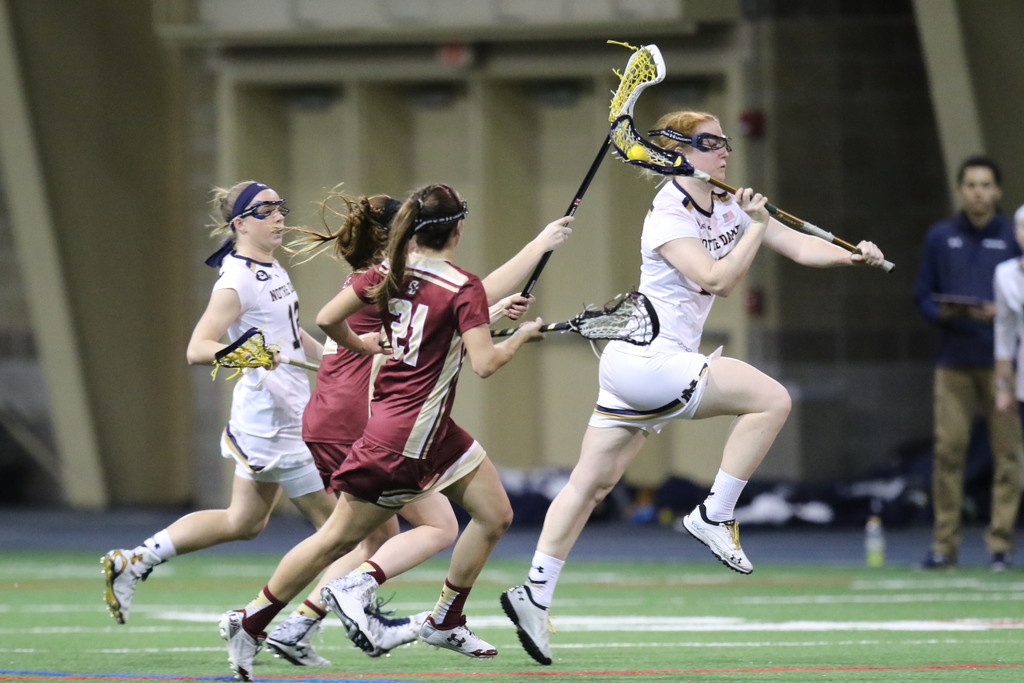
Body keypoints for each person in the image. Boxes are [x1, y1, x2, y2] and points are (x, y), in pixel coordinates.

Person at [499, 110, 887, 666]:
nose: (724, 150)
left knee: (592, 484)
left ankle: (534, 592)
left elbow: (801, 248)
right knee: (772, 399)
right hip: (648, 360)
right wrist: (755, 226)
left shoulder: (730, 201)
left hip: (648, 364)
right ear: (678, 149)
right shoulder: (665, 216)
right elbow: (716, 281)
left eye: (726, 141)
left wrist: (855, 255)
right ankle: (714, 515)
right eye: (710, 142)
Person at [219, 183, 572, 681]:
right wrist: (519, 335)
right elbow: (485, 363)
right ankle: (271, 614)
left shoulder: (384, 275)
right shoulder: (455, 283)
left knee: (494, 514)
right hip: (403, 431)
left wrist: (366, 343)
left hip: (421, 424)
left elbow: (335, 320)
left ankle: (445, 618)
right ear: (458, 227)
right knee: (346, 538)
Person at [101, 181, 336, 625]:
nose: (279, 217)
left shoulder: (271, 266)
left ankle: (134, 561)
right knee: (341, 533)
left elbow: (290, 330)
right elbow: (198, 348)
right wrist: (245, 352)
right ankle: (291, 627)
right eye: (265, 211)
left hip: (278, 413)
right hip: (274, 422)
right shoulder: (236, 281)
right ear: (240, 223)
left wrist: (334, 362)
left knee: (244, 523)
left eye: (279, 207)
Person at [914, 155, 1023, 571]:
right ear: (961, 190)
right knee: (949, 452)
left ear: (997, 191)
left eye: (986, 185)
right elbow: (922, 296)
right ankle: (945, 544)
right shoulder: (941, 236)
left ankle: (1000, 544)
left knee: (1009, 455)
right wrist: (950, 312)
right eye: (971, 185)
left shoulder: (1013, 237)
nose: (978, 192)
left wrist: (1002, 314)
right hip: (955, 360)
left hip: (1004, 365)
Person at [989, 203, 1024, 573]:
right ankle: (1002, 546)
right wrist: (1003, 385)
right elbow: (1005, 332)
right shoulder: (1006, 274)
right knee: (1015, 462)